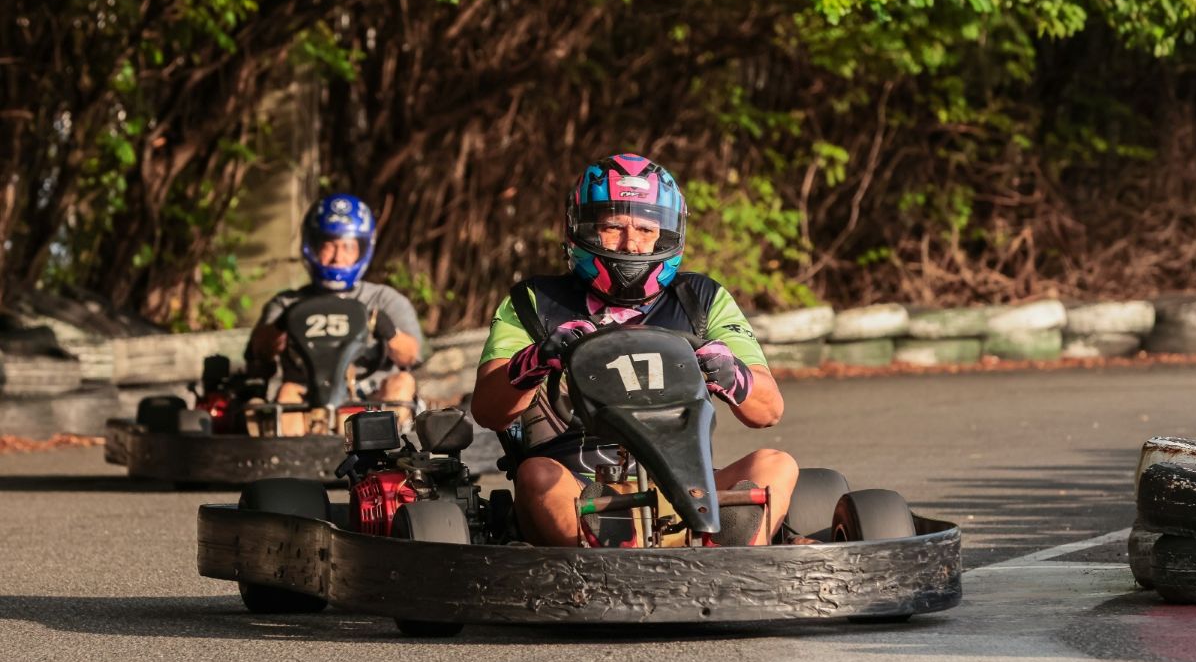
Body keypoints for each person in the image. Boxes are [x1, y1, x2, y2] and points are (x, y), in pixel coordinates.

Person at [470, 153, 799, 546]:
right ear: (582, 230)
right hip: (576, 488)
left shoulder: (700, 299)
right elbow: (488, 411)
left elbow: (768, 411)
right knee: (536, 474)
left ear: (667, 234)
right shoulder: (534, 301)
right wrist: (536, 360)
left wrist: (730, 373)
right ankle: (593, 575)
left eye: (645, 228)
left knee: (776, 465)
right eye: (613, 227)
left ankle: (731, 570)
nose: (631, 244)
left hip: (687, 491)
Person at [247, 194, 426, 431]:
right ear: (312, 246)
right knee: (287, 392)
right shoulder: (286, 303)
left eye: (348, 247)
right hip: (308, 400)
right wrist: (283, 324)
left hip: (369, 399)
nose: (337, 257)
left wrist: (386, 329)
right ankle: (289, 463)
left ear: (362, 250)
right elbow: (260, 351)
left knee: (403, 382)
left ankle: (387, 459)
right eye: (328, 245)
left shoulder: (384, 300)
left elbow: (411, 356)